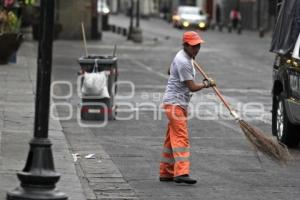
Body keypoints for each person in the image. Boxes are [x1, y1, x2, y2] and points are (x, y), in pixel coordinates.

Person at [159, 31, 216, 184]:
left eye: (197, 46)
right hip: (175, 103)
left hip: (177, 102)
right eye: (193, 46)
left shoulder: (184, 56)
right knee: (181, 137)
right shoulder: (183, 61)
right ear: (185, 45)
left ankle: (166, 172)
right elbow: (191, 87)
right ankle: (181, 173)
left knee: (171, 140)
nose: (196, 49)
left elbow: (170, 71)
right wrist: (206, 84)